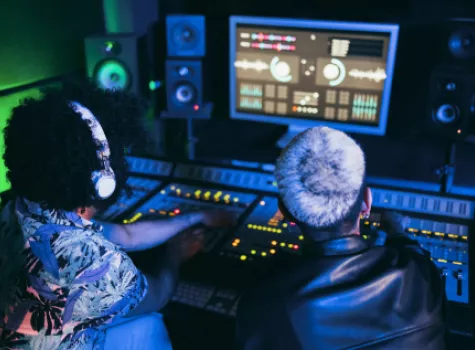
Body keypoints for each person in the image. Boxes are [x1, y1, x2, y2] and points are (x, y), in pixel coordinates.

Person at [0, 80, 234, 349]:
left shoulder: (19, 208)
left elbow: (126, 234)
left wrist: (196, 217)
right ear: (103, 181)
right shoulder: (95, 266)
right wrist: (175, 256)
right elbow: (159, 294)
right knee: (151, 322)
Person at [236, 126, 446, 349]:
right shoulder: (423, 275)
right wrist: (397, 231)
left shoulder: (260, 307)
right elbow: (413, 254)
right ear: (367, 201)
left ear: (285, 213)